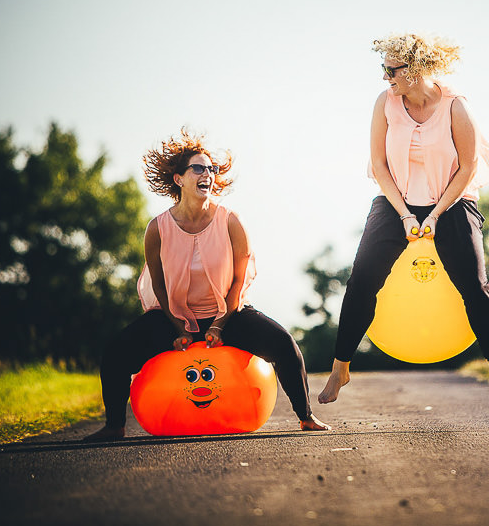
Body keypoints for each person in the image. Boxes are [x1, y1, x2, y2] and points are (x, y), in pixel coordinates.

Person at [85, 130, 330, 441]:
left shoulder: (230, 221)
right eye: (198, 168)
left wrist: (220, 323)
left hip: (228, 312)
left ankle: (306, 417)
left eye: (211, 169)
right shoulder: (157, 229)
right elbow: (158, 285)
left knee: (284, 344)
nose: (208, 175)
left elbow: (240, 280)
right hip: (173, 317)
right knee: (116, 353)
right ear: (179, 179)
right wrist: (177, 328)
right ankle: (114, 426)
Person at [318, 32, 489, 408]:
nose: (385, 76)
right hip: (397, 200)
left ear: (418, 68)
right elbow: (378, 164)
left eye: (391, 69)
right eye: (383, 67)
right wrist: (406, 214)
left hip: (453, 200)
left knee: (476, 284)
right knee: (361, 279)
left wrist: (438, 213)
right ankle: (340, 367)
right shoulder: (386, 103)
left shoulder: (457, 107)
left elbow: (469, 166)